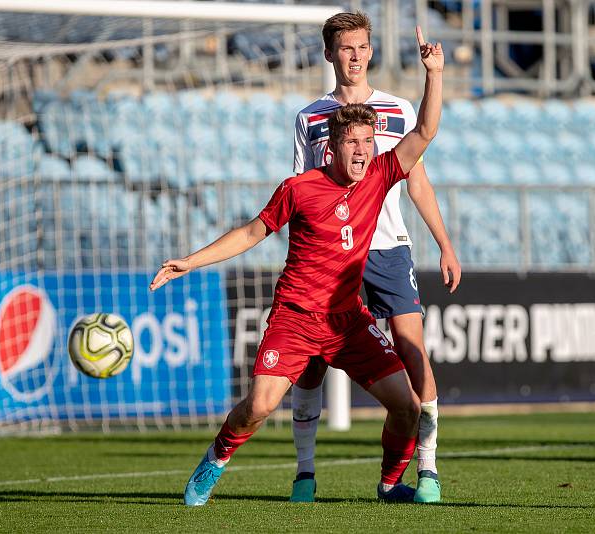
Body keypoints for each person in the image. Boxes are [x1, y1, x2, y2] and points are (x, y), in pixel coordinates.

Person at [150, 26, 443, 506]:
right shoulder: (300, 187)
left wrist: (434, 76)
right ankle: (215, 459)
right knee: (258, 407)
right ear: (332, 146)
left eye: (369, 142)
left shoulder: (379, 176)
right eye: (353, 143)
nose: (364, 151)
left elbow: (425, 132)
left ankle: (391, 485)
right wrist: (191, 261)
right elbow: (251, 232)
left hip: (348, 322)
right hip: (296, 319)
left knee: (407, 407)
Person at [289, 12, 461, 504]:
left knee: (413, 351)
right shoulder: (310, 117)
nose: (356, 55)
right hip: (333, 257)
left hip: (387, 247)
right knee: (314, 362)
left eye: (363, 46)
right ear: (330, 54)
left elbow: (417, 179)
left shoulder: (398, 108)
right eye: (346, 48)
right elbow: (303, 193)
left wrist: (445, 243)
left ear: (371, 50)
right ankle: (305, 473)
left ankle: (426, 468)